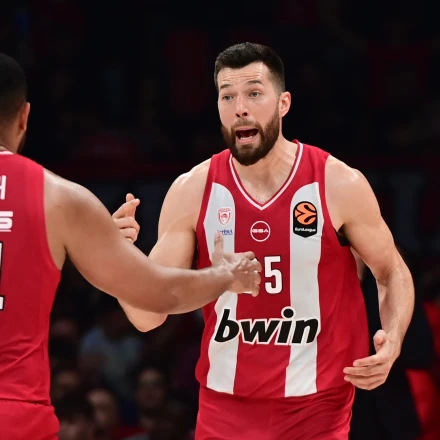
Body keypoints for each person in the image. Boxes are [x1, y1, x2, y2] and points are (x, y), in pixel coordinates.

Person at [118, 42, 416, 440]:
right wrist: (118, 258)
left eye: (254, 93)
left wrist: (393, 339)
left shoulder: (337, 182)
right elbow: (148, 316)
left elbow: (391, 270)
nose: (240, 107)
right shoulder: (192, 191)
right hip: (225, 408)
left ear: (283, 103)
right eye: (227, 96)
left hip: (318, 408)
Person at [0, 53, 262, 440]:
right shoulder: (58, 198)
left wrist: (105, 244)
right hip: (16, 420)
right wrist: (225, 275)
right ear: (24, 117)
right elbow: (160, 294)